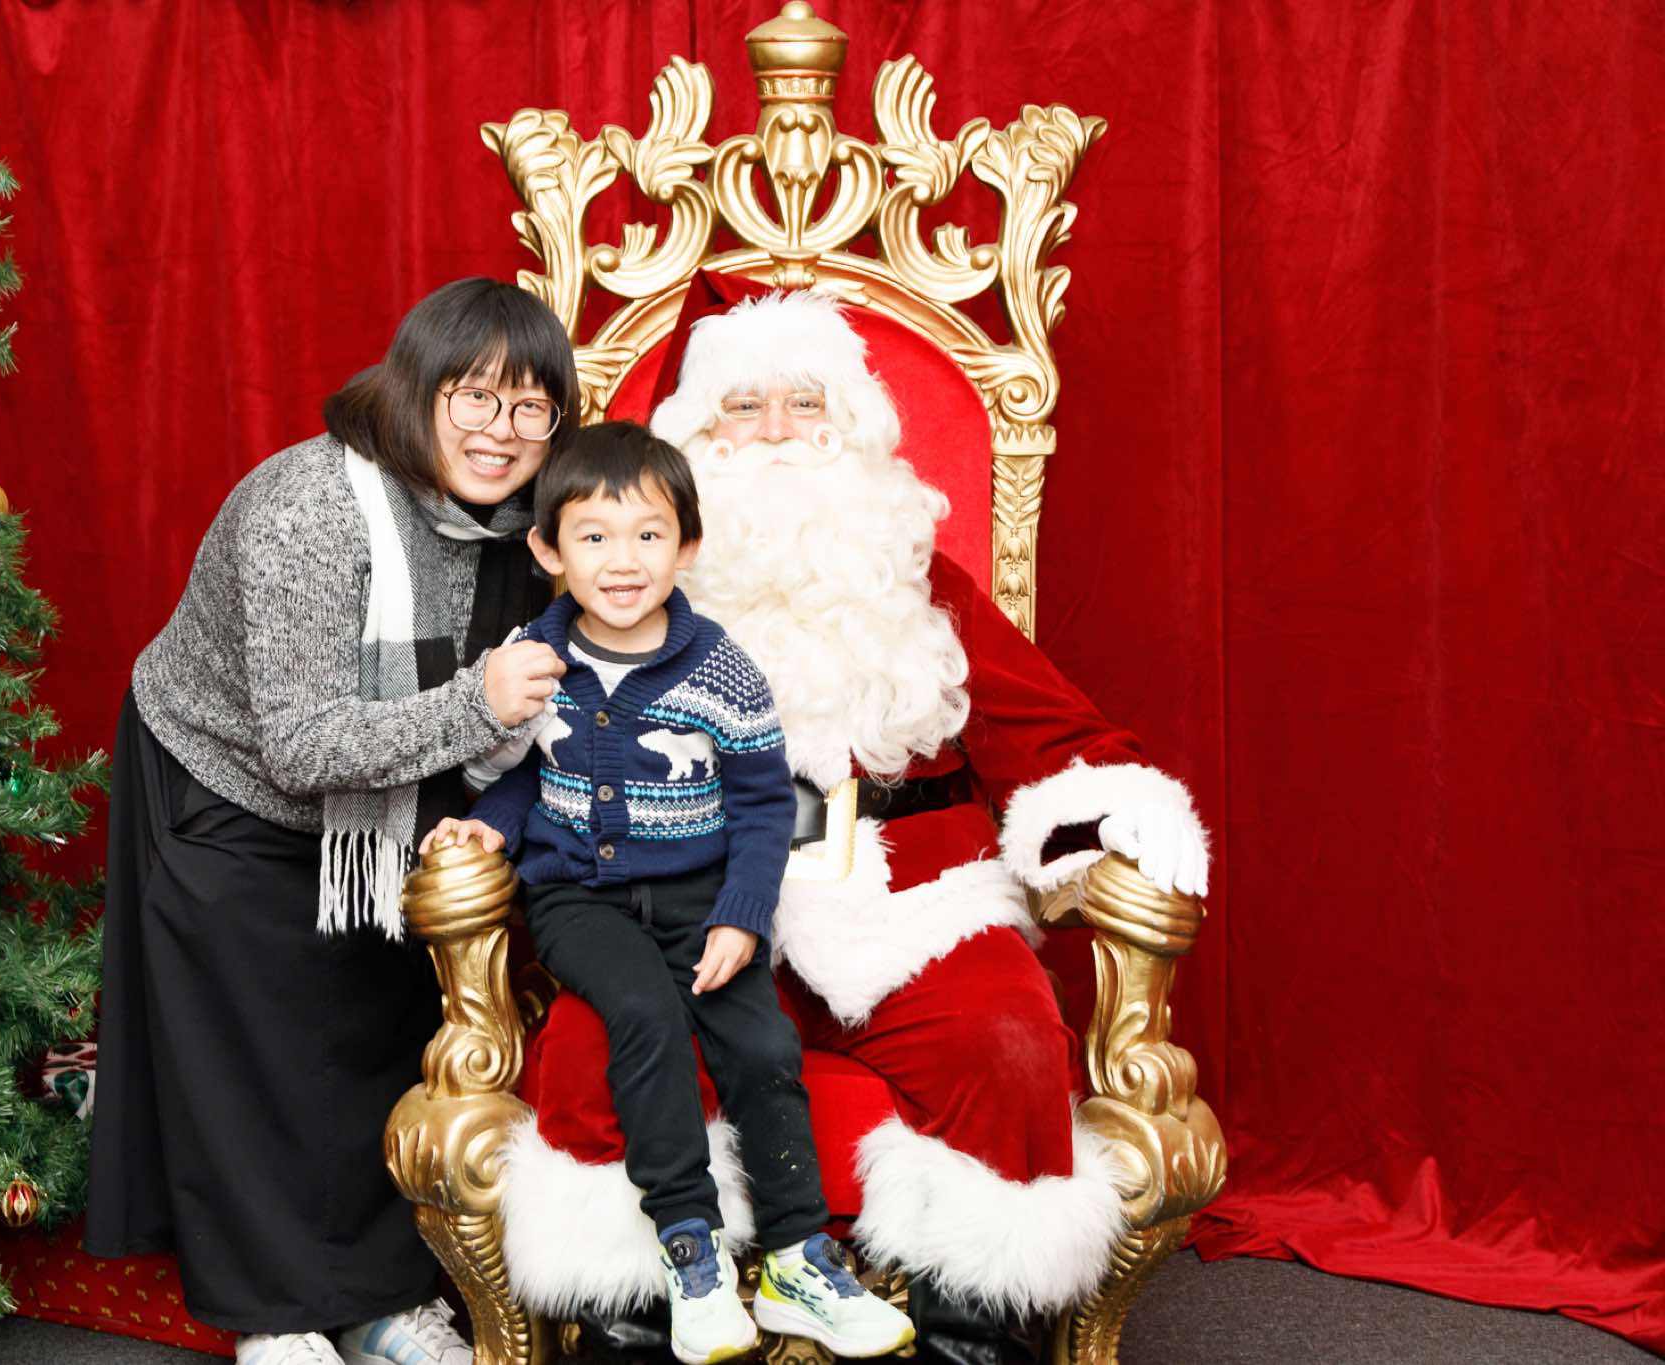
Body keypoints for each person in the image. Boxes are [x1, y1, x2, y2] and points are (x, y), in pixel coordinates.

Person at [495, 290, 1211, 1365]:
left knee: (1007, 1041)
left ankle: (970, 1333)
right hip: (685, 898)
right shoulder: (629, 593)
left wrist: (1118, 811)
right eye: (743, 407)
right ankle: (635, 1321)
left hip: (909, 904)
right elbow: (539, 749)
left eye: (806, 403)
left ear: (854, 426)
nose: (778, 432)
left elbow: (1051, 730)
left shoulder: (917, 585)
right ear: (694, 441)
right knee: (597, 1049)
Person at [87, 278, 580, 1365]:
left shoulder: (536, 519)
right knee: (258, 1049)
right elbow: (301, 746)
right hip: (229, 777)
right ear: (416, 390)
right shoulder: (308, 509)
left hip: (398, 789)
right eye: (473, 396)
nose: (500, 431)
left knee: (380, 1028)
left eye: (529, 406)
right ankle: (273, 1315)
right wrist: (478, 705)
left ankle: (376, 1299)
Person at [424, 422, 915, 1365]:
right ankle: (691, 1249)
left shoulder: (720, 668)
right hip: (580, 900)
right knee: (644, 1016)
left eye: (648, 534)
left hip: (701, 895)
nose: (622, 561)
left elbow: (765, 805)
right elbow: (525, 771)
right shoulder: (537, 655)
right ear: (548, 550)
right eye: (594, 536)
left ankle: (798, 1258)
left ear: (687, 547)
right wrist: (494, 825)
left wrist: (741, 915)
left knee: (763, 1044)